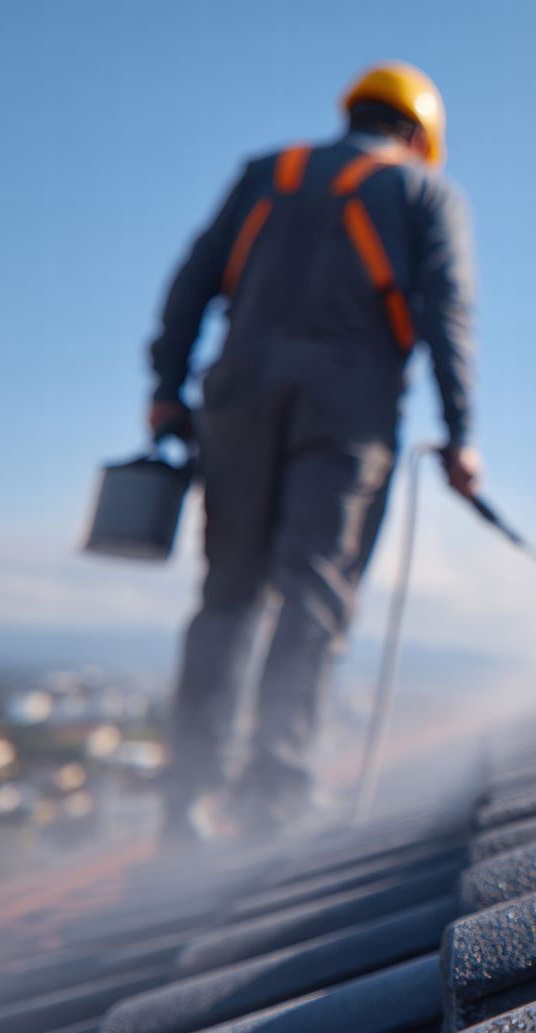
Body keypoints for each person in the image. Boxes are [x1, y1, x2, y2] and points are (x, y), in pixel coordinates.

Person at [146, 62, 481, 845]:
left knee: (228, 594)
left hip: (235, 401)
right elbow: (450, 316)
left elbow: (190, 282)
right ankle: (276, 795)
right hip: (346, 410)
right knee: (313, 595)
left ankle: (187, 805)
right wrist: (463, 435)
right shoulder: (427, 193)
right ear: (419, 134)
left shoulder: (270, 172)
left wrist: (166, 385)